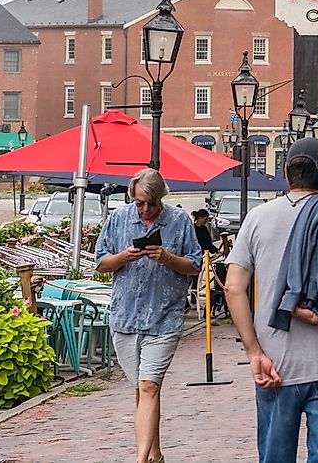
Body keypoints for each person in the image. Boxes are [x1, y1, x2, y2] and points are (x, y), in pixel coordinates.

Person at [225, 138, 318, 463]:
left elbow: (233, 287)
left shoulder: (258, 218)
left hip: (274, 363)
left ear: (285, 172)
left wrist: (254, 353)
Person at [94, 169, 203, 463]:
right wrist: (124, 256)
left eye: (150, 204)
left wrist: (166, 257)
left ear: (161, 199)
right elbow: (100, 263)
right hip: (125, 317)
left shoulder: (179, 222)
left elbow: (194, 266)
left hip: (164, 317)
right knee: (142, 388)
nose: (144, 209)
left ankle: (140, 459)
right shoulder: (118, 219)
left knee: (149, 385)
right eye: (139, 203)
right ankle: (155, 454)